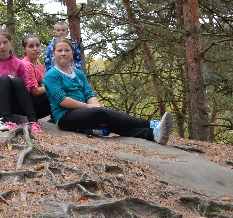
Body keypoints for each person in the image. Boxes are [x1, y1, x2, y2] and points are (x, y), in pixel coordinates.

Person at [43, 38, 173, 143]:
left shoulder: (79, 74)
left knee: (108, 120)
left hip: (83, 112)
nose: (63, 53)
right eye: (59, 50)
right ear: (53, 53)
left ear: (72, 53)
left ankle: (152, 134)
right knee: (102, 113)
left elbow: (88, 93)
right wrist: (90, 108)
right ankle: (151, 124)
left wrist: (96, 107)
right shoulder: (51, 75)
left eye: (67, 50)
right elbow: (62, 100)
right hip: (65, 117)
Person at [0, 29, 43, 135]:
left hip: (14, 103)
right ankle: (7, 121)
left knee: (17, 80)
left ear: (11, 43)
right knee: (4, 79)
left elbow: (26, 88)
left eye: (5, 42)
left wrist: (13, 83)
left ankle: (33, 121)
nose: (2, 46)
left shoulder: (18, 63)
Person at [21, 34, 52, 119]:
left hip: (37, 99)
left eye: (37, 45)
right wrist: (52, 86)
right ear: (24, 49)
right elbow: (35, 92)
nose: (35, 49)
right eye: (31, 46)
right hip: (27, 102)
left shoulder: (40, 65)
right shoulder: (26, 65)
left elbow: (43, 84)